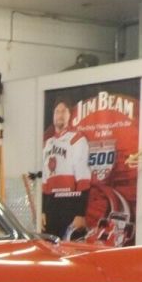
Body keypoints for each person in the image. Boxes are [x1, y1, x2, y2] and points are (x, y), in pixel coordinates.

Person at [41, 98, 91, 239]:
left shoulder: (77, 140)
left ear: (70, 115)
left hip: (70, 208)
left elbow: (83, 180)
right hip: (51, 209)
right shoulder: (47, 144)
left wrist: (80, 214)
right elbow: (44, 182)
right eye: (57, 111)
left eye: (64, 111)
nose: (60, 115)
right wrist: (42, 210)